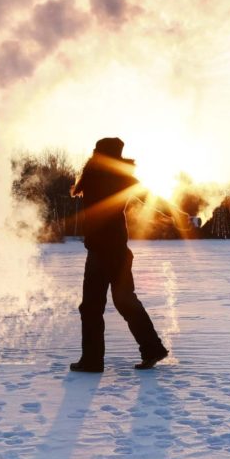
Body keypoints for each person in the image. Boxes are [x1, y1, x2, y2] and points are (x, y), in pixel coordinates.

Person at [68, 137, 169, 373]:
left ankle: (92, 360)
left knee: (92, 308)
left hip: (101, 254)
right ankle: (152, 348)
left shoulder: (96, 174)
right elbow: (150, 198)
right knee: (125, 301)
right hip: (118, 252)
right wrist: (176, 213)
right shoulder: (121, 177)